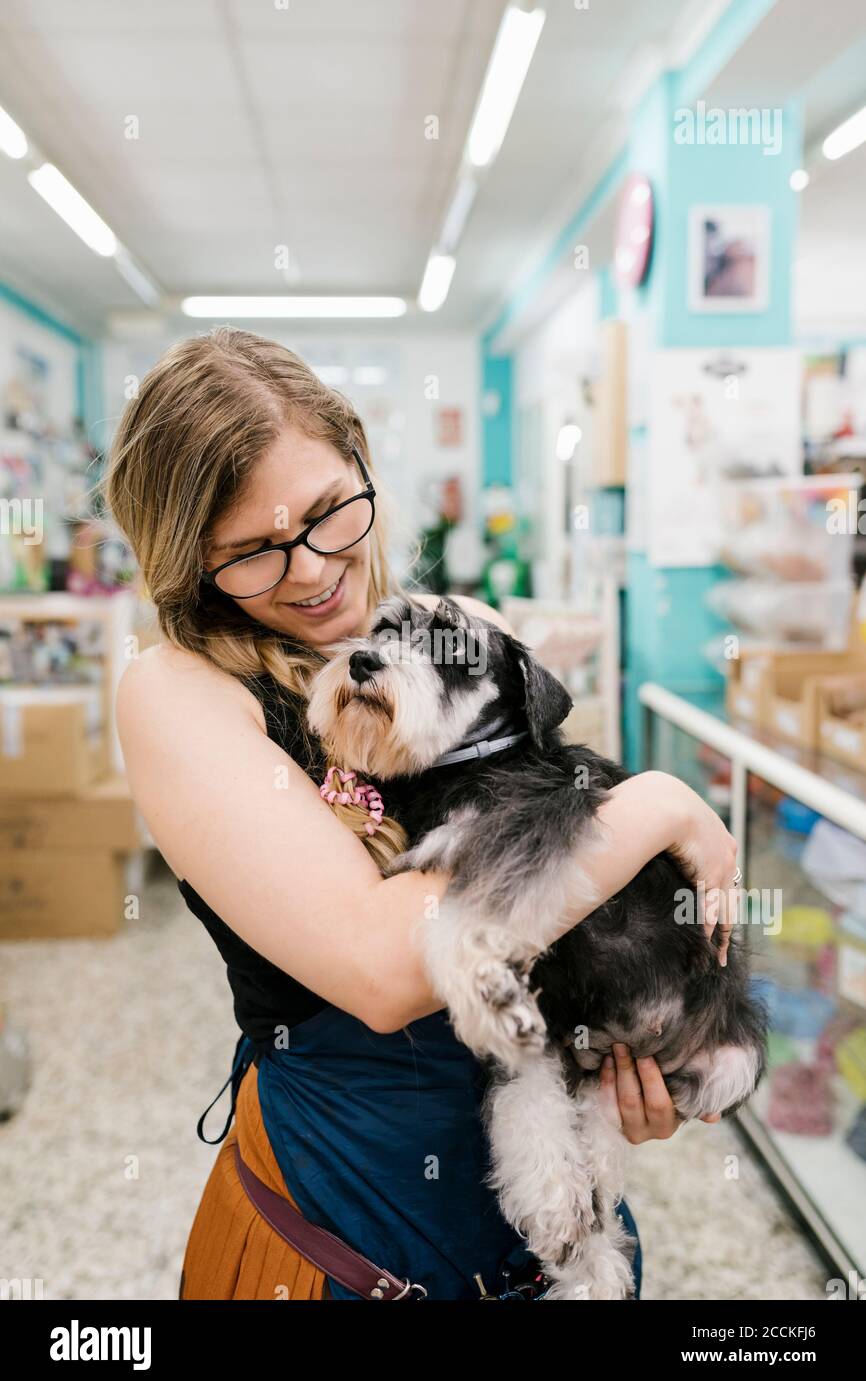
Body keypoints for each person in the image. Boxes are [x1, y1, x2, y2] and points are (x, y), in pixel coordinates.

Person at [108, 327, 738, 1301]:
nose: (315, 571)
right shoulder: (178, 694)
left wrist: (622, 1053)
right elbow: (380, 966)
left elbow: (560, 891)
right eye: (253, 552)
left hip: (544, 1205)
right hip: (351, 1223)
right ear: (187, 559)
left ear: (361, 460)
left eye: (329, 512)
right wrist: (654, 803)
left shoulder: (429, 632)